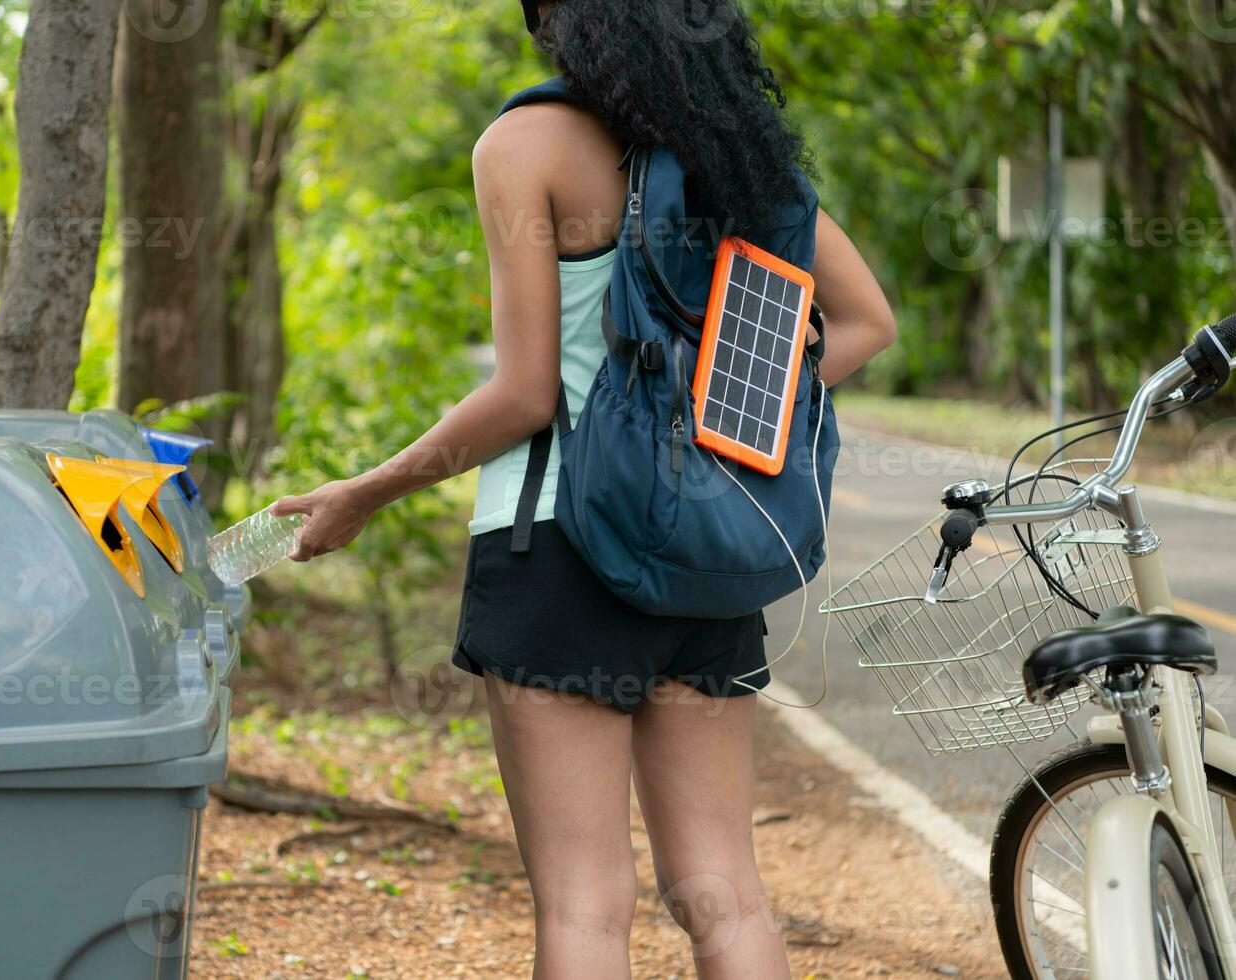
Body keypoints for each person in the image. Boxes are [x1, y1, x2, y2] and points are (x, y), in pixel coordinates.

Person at [273, 1, 896, 975]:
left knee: (584, 902)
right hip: (709, 549)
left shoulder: (524, 145)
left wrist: (366, 490)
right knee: (725, 890)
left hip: (557, 547)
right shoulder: (747, 165)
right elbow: (865, 323)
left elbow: (524, 394)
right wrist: (717, 416)